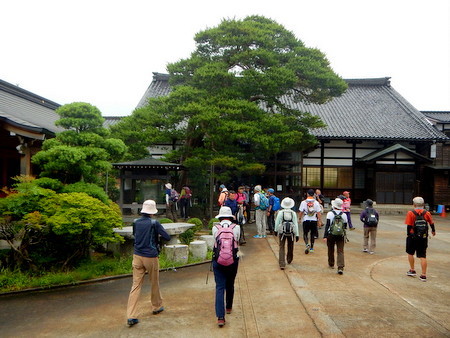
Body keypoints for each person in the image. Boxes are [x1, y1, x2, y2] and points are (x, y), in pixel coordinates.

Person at [127, 200, 171, 326]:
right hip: (151, 256)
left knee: (135, 286)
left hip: (137, 255)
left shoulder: (135, 222)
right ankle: (156, 306)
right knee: (154, 282)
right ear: (153, 212)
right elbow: (167, 237)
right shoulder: (154, 223)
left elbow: (135, 235)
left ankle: (131, 315)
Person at [212, 206, 241, 327]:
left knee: (219, 287)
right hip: (233, 260)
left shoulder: (215, 228)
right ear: (230, 216)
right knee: (230, 283)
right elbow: (237, 241)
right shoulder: (236, 227)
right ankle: (228, 307)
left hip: (218, 260)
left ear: (220, 216)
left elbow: (214, 242)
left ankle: (220, 317)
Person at [405, 197, 436, 282]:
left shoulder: (411, 213)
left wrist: (409, 235)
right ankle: (423, 275)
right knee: (423, 256)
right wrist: (433, 231)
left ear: (414, 204)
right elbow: (431, 223)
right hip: (423, 237)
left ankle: (412, 270)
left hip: (412, 237)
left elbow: (409, 226)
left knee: (410, 253)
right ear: (423, 204)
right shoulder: (427, 213)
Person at [323, 198, 348, 274]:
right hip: (340, 235)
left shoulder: (330, 214)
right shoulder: (344, 215)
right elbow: (345, 226)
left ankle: (331, 264)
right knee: (340, 251)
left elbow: (327, 225)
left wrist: (325, 236)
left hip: (331, 234)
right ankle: (340, 267)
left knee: (330, 249)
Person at [274, 197, 299, 270]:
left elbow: (277, 222)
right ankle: (289, 259)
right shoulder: (293, 213)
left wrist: (276, 230)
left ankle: (282, 263)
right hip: (291, 232)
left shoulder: (281, 212)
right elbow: (295, 223)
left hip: (282, 231)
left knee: (281, 246)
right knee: (290, 245)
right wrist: (297, 234)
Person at [298, 189, 322, 254]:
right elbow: (319, 212)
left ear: (307, 194)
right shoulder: (316, 202)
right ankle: (311, 247)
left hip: (306, 219)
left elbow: (301, 212)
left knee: (305, 233)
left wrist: (299, 218)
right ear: (313, 194)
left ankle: (306, 244)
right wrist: (319, 221)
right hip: (314, 219)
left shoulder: (303, 202)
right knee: (313, 234)